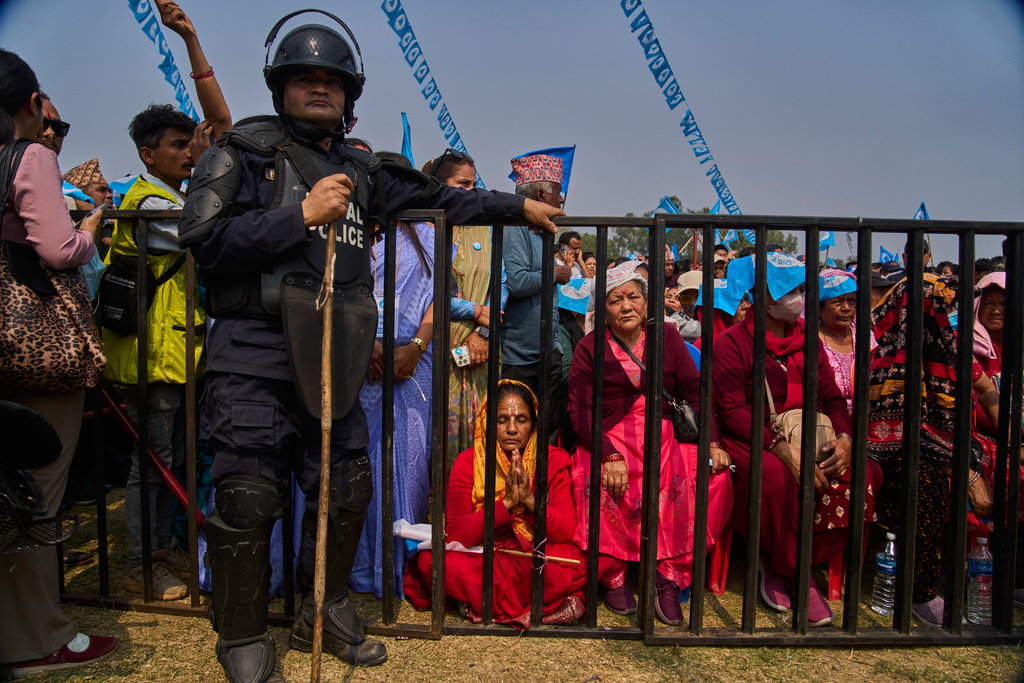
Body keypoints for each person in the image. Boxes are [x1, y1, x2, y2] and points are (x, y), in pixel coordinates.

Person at [178, 15, 563, 680]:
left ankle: (322, 609)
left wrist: (515, 208)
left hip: (332, 358)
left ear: (351, 96)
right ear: (280, 88)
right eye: (306, 79)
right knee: (247, 497)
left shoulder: (363, 170)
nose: (320, 89)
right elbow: (204, 242)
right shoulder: (241, 154)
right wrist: (296, 218)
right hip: (254, 355)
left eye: (333, 80)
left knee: (346, 485)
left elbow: (441, 196)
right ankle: (242, 637)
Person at [0, 48, 118, 679]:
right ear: (27, 106)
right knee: (32, 493)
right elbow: (58, 247)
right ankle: (37, 637)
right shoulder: (29, 157)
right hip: (30, 355)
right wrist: (91, 226)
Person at [713, 253, 879, 627]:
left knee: (864, 472)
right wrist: (779, 447)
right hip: (755, 437)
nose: (800, 299)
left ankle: (797, 558)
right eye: (792, 290)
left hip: (812, 433)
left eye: (804, 290)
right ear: (765, 296)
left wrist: (844, 439)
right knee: (778, 477)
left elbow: (834, 399)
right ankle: (791, 569)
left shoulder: (809, 342)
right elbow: (732, 410)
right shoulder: (733, 343)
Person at [568, 266, 733, 626]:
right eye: (616, 299)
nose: (626, 306)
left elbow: (693, 392)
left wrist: (713, 441)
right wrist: (608, 454)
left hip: (666, 435)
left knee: (715, 477)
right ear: (603, 309)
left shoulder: (667, 337)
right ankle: (613, 574)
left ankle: (670, 575)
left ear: (646, 303)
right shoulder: (588, 347)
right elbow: (580, 410)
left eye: (634, 297)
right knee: (589, 478)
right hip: (611, 437)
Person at [103, 104, 205, 601]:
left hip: (177, 356)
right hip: (151, 359)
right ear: (148, 154)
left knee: (172, 460)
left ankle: (165, 553)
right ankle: (142, 567)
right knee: (151, 466)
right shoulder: (148, 202)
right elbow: (199, 233)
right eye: (178, 146)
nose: (189, 153)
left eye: (191, 144)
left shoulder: (173, 196)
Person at [867, 273, 1005, 625]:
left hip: (954, 448)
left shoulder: (952, 352)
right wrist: (964, 471)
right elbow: (902, 433)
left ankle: (1007, 574)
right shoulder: (885, 362)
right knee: (924, 484)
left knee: (1009, 466)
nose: (940, 321)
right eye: (933, 311)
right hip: (895, 456)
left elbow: (988, 391)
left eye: (943, 311)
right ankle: (919, 590)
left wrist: (1012, 438)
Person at [405, 380, 587, 627]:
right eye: (502, 420)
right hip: (485, 554)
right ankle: (539, 600)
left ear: (533, 424)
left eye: (521, 420)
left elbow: (567, 532)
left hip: (534, 554)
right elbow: (454, 533)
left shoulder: (553, 460)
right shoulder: (467, 461)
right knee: (432, 562)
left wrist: (531, 502)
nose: (512, 429)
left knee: (579, 559)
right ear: (487, 422)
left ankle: (481, 599)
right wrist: (506, 504)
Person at [351, 155, 436, 597]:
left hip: (411, 366)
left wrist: (416, 347)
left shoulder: (430, 233)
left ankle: (400, 562)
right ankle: (360, 566)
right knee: (358, 463)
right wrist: (366, 343)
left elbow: (438, 300)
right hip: (358, 358)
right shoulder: (351, 228)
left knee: (407, 460)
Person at [424, 149, 509, 464]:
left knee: (484, 438)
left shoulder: (485, 228)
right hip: (436, 348)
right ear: (440, 185)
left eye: (474, 186)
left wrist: (483, 333)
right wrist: (472, 311)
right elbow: (424, 295)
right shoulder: (427, 228)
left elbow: (501, 285)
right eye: (462, 185)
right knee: (438, 444)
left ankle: (479, 509)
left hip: (482, 350)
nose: (471, 193)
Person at [969, 272, 1024, 607]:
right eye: (988, 303)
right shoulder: (968, 344)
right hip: (986, 432)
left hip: (1014, 430)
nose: (995, 310)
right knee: (1002, 468)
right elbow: (979, 399)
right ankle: (989, 566)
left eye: (1003, 304)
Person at [501, 153, 571, 410]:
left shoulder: (542, 232)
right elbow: (517, 282)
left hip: (547, 353)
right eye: (557, 191)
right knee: (516, 429)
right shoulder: (515, 229)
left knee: (546, 431)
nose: (560, 199)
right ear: (541, 195)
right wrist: (554, 274)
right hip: (521, 359)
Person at [817, 269, 857, 412]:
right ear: (819, 308)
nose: (846, 308)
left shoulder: (867, 337)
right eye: (837, 302)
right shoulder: (811, 342)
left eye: (851, 301)